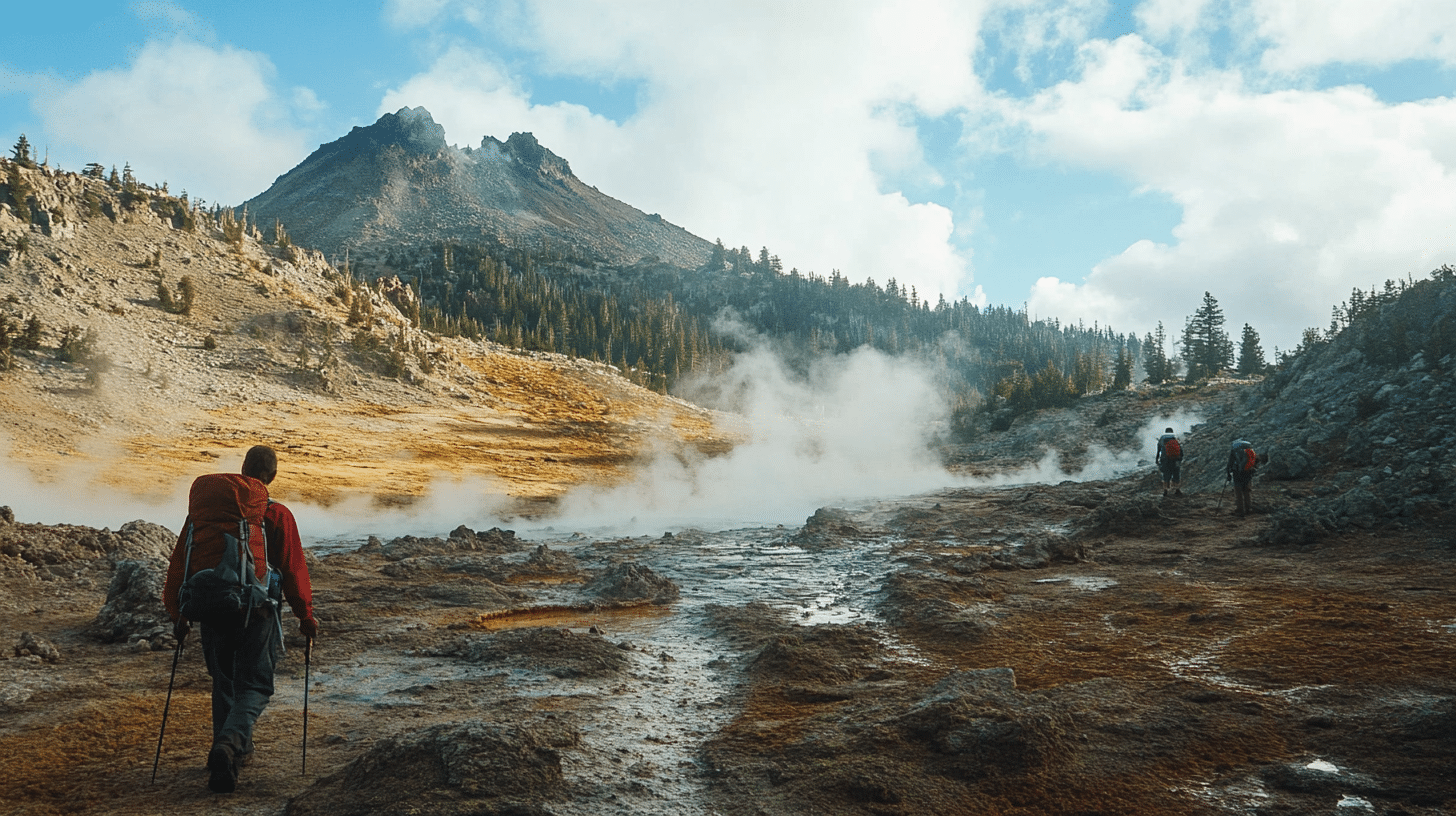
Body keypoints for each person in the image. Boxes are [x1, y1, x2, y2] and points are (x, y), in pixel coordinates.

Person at [163, 445, 318, 794]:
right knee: (256, 686)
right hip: (256, 610)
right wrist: (305, 616)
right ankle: (230, 744)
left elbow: (180, 563)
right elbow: (293, 569)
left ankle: (228, 760)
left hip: (210, 605)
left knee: (224, 681)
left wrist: (178, 613)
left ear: (244, 469)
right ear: (272, 477)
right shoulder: (275, 514)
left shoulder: (205, 514)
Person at [1226, 438, 1258, 517]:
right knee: (1247, 491)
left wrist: (1228, 475)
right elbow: (1255, 462)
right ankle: (1248, 509)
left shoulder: (1234, 450)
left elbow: (1230, 463)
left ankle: (1240, 510)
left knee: (1238, 492)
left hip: (1237, 474)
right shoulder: (1249, 450)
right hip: (1247, 473)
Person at [1155, 427, 1183, 497]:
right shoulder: (1176, 438)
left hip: (1165, 460)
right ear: (1172, 431)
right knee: (1176, 474)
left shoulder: (1162, 438)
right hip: (1175, 460)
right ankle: (1177, 489)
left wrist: (1157, 459)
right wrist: (1180, 459)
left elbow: (1158, 450)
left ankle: (1165, 490)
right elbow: (1181, 450)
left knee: (1166, 475)